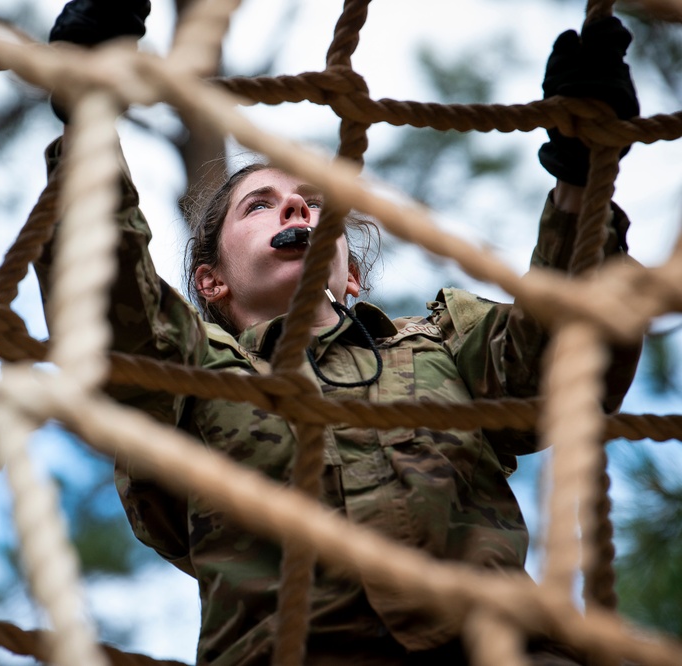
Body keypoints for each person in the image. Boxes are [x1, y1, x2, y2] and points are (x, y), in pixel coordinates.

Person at [37, 3, 641, 665]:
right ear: (212, 282)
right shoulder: (189, 375)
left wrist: (580, 181)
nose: (296, 206)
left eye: (312, 200)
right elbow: (111, 306)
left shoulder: (445, 346)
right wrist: (89, 117)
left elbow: (565, 359)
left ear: (351, 276)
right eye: (258, 205)